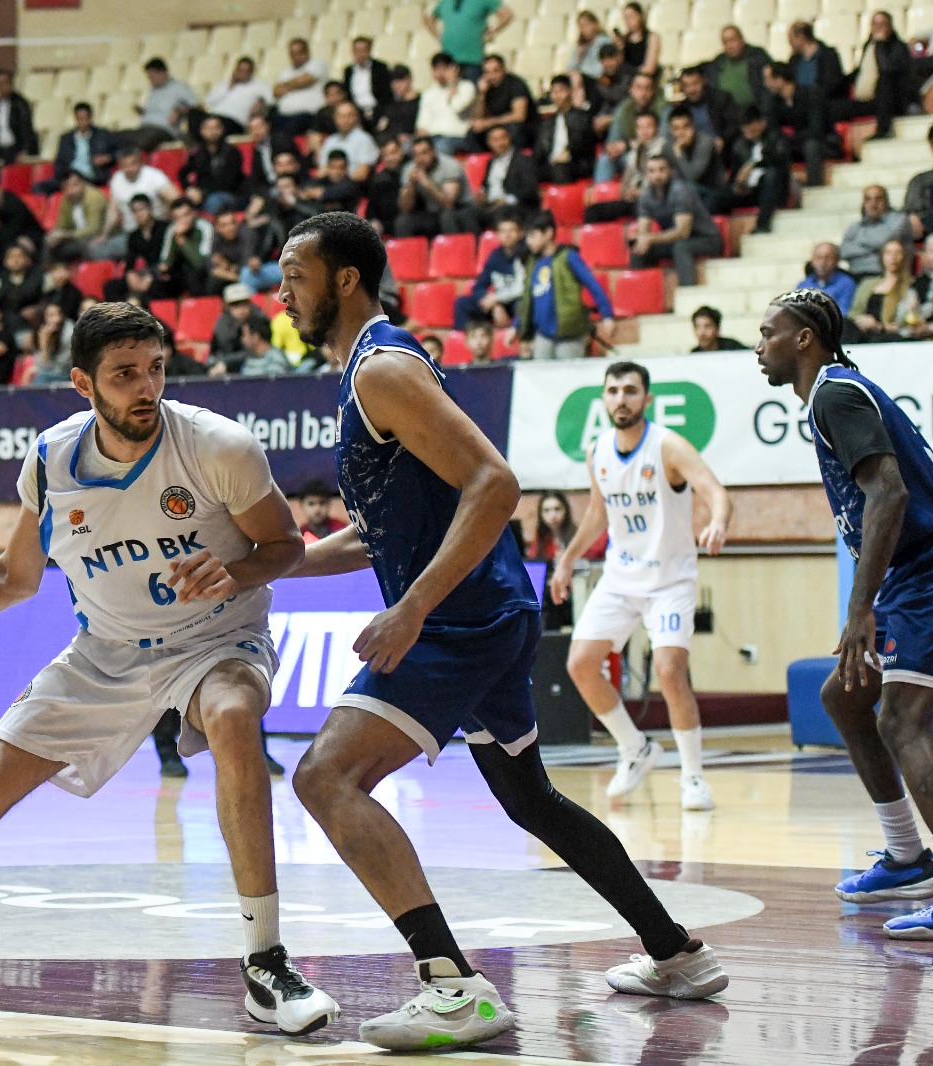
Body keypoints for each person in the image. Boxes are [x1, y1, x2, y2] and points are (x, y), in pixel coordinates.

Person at [0, 301, 340, 1031]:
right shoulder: (53, 459)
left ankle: (265, 961)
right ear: (82, 384)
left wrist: (234, 572)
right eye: (124, 375)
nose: (145, 387)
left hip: (215, 638)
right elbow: (11, 580)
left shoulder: (218, 446)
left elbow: (286, 547)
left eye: (154, 369)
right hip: (105, 653)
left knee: (236, 719)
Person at [276, 212, 728, 1052]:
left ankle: (454, 988)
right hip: (487, 612)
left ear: (344, 278)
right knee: (531, 800)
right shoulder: (372, 371)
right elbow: (382, 529)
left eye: (295, 274)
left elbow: (497, 483)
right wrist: (271, 565)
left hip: (460, 620)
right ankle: (677, 954)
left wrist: (412, 607)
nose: (281, 291)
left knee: (323, 777)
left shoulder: (380, 370)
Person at [755, 287, 933, 941]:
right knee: (845, 695)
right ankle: (906, 858)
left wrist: (862, 607)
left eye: (768, 333)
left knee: (901, 720)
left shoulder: (837, 394)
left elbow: (891, 494)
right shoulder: (838, 393)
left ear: (804, 339)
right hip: (931, 569)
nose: (759, 347)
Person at [554, 361, 731, 812]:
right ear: (604, 399)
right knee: (580, 665)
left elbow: (714, 489)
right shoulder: (598, 451)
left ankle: (693, 778)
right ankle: (635, 748)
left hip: (669, 580)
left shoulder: (667, 446)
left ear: (646, 399)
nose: (621, 399)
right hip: (620, 577)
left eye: (630, 391)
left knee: (670, 672)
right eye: (613, 391)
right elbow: (598, 512)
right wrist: (567, 559)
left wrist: (717, 521)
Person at [517, 211, 614, 359]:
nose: (528, 241)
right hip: (543, 334)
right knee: (542, 376)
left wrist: (607, 314)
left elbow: (593, 285)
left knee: (569, 377)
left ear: (548, 233)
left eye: (533, 235)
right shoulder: (532, 263)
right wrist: (516, 325)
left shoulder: (569, 257)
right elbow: (528, 301)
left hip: (570, 334)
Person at [629, 155, 724, 287]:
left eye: (661, 170)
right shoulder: (647, 195)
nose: (657, 175)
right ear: (646, 174)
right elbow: (643, 230)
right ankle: (640, 297)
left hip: (707, 239)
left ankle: (688, 295)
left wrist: (649, 238)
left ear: (670, 171)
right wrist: (640, 239)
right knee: (639, 250)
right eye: (652, 171)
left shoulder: (680, 190)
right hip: (675, 241)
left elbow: (682, 232)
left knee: (681, 247)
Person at [833, 12, 915, 140]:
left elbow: (887, 70)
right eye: (875, 24)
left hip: (889, 101)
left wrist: (881, 45)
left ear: (890, 26)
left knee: (885, 83)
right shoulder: (869, 45)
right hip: (864, 101)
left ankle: (883, 130)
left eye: (882, 24)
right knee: (834, 106)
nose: (878, 27)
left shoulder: (898, 47)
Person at [527, 491, 599, 631]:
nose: (552, 515)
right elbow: (535, 566)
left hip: (577, 584)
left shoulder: (577, 536)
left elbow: (592, 560)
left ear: (566, 510)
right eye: (547, 511)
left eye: (557, 509)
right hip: (551, 591)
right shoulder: (540, 541)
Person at [762, 62, 838, 189]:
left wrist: (790, 139)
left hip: (824, 143)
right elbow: (773, 129)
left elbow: (817, 130)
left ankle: (815, 189)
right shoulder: (775, 102)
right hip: (796, 144)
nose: (765, 84)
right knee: (775, 147)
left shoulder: (811, 94)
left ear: (780, 80)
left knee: (811, 145)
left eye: (768, 79)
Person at [395, 136, 483, 237]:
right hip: (432, 213)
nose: (421, 158)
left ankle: (453, 251)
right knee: (403, 221)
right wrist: (411, 185)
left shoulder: (450, 165)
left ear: (434, 151)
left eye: (424, 153)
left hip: (461, 208)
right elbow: (405, 208)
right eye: (416, 155)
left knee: (447, 217)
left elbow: (448, 203)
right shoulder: (409, 169)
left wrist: (426, 183)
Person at [453, 209, 525, 328]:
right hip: (498, 303)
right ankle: (470, 342)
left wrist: (496, 299)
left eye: (511, 230)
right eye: (503, 231)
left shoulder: (527, 254)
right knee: (462, 304)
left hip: (517, 301)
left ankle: (521, 340)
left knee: (523, 305)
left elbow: (522, 288)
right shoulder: (495, 256)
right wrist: (494, 305)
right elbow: (478, 287)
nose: (507, 235)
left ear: (521, 233)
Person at [724, 105, 790, 234]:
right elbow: (735, 175)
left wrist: (754, 165)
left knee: (771, 175)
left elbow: (780, 162)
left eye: (752, 128)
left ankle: (762, 224)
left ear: (762, 123)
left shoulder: (776, 137)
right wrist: (738, 184)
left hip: (771, 190)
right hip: (747, 191)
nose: (749, 133)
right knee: (716, 197)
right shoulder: (739, 145)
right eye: (746, 130)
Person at [425, 0, 511, 81]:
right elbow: (429, 18)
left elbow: (506, 14)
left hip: (472, 60)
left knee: (470, 92)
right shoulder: (446, 2)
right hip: (449, 62)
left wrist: (492, 32)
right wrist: (438, 36)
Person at [850, 238, 915, 342]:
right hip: (862, 332)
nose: (893, 258)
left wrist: (878, 326)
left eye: (897, 253)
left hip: (889, 336)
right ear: (882, 257)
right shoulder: (867, 283)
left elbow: (907, 323)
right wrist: (862, 321)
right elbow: (854, 313)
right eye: (888, 253)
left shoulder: (910, 285)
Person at [537, 76, 599, 184]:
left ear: (569, 91)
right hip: (551, 163)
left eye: (560, 91)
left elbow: (583, 145)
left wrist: (567, 152)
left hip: (576, 163)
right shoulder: (547, 122)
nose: (557, 96)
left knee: (560, 167)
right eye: (554, 92)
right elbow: (539, 150)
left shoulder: (583, 117)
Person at [126, 58, 199, 151]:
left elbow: (197, 107)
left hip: (163, 131)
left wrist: (179, 111)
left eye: (152, 76)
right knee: (117, 138)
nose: (150, 80)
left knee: (142, 141)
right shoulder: (153, 90)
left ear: (163, 73)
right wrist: (142, 111)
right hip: (144, 128)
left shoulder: (179, 87)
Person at [841, 186, 912, 278]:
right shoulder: (855, 226)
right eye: (868, 199)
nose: (873, 204)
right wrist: (874, 250)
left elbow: (883, 242)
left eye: (878, 199)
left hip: (885, 275)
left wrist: (860, 244)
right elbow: (844, 251)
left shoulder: (899, 220)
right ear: (864, 204)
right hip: (855, 276)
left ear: (886, 202)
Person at [415, 53, 476, 156]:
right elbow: (422, 123)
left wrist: (452, 84)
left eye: (443, 69)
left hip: (457, 136)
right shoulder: (428, 93)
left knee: (440, 148)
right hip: (432, 137)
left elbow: (457, 107)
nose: (440, 73)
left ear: (454, 69)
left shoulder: (467, 87)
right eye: (436, 69)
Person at [44, 103, 115, 192]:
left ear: (90, 118)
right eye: (80, 119)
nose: (83, 122)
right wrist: (62, 178)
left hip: (90, 178)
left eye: (85, 118)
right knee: (40, 187)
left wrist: (107, 158)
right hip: (69, 176)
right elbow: (59, 161)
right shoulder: (66, 139)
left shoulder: (103, 136)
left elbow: (120, 151)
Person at [271, 39, 330, 139]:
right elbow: (276, 91)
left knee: (285, 134)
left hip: (307, 115)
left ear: (307, 52)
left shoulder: (317, 64)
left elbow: (304, 80)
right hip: (283, 116)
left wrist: (285, 85)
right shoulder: (285, 72)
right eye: (292, 54)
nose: (296, 57)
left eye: (299, 53)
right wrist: (294, 83)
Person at [205, 57, 273, 138]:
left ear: (251, 72)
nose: (243, 74)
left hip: (234, 121)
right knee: (194, 114)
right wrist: (229, 85)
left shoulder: (259, 85)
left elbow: (271, 100)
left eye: (246, 71)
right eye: (241, 70)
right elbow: (210, 101)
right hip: (214, 117)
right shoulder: (226, 83)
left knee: (218, 126)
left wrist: (261, 102)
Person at [478, 125, 539, 214]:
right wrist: (482, 195)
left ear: (509, 138)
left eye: (503, 138)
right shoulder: (490, 162)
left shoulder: (523, 160)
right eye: (495, 140)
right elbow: (485, 186)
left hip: (516, 208)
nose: (500, 143)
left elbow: (530, 190)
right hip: (491, 206)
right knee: (468, 214)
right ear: (489, 142)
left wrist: (507, 200)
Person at [0, 69, 40, 164]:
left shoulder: (21, 103)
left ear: (11, 84)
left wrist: (24, 150)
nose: (2, 86)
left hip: (16, 148)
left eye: (5, 83)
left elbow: (26, 129)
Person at [797, 242, 859, 317]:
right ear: (812, 261)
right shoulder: (804, 284)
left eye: (828, 258)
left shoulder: (846, 283)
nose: (823, 263)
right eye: (818, 258)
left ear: (837, 261)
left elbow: (843, 312)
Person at [344, 37, 395, 119]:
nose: (360, 54)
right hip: (357, 112)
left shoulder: (380, 68)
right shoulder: (348, 71)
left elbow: (386, 94)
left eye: (363, 50)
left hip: (377, 110)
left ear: (369, 51)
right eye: (357, 51)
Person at [615, 2, 661, 79]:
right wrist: (619, 48)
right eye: (626, 18)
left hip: (644, 79)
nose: (628, 21)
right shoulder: (624, 40)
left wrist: (634, 72)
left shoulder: (651, 38)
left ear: (640, 16)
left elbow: (650, 68)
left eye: (631, 17)